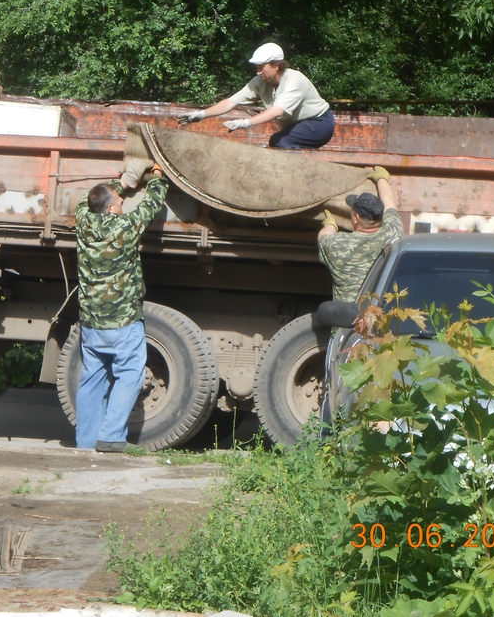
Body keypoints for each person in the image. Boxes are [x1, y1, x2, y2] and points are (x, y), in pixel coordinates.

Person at [74, 161, 168, 452]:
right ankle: (112, 436)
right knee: (130, 374)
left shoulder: (83, 220)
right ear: (112, 208)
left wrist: (124, 183)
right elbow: (153, 203)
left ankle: (86, 442)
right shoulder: (125, 227)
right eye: (119, 201)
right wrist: (157, 176)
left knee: (92, 380)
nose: (123, 202)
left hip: (91, 322)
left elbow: (86, 201)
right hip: (123, 321)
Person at [177, 42, 336, 149]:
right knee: (278, 141)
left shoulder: (294, 80)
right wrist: (202, 114)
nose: (258, 72)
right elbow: (231, 102)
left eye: (261, 67)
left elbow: (277, 111)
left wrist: (246, 123)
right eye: (256, 68)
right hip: (296, 126)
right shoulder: (260, 82)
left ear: (276, 65)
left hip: (319, 123)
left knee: (280, 141)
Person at [317, 167, 403, 302]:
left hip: (347, 322)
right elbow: (389, 204)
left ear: (356, 218)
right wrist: (382, 179)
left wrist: (330, 225)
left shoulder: (337, 246)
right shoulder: (393, 233)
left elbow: (323, 237)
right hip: (378, 318)